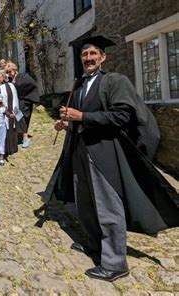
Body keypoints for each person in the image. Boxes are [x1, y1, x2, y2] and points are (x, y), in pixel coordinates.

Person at [47, 35, 179, 282]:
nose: (88, 58)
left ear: (103, 57)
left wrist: (82, 116)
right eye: (84, 55)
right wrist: (65, 123)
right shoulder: (80, 85)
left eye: (93, 54)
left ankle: (115, 263)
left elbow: (121, 117)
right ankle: (93, 244)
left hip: (104, 153)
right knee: (84, 202)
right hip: (79, 152)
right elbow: (77, 118)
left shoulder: (114, 81)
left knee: (108, 207)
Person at [6, 62, 40, 148]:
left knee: (23, 118)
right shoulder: (10, 80)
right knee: (18, 118)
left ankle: (25, 138)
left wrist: (22, 93)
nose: (9, 74)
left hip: (24, 101)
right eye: (7, 72)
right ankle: (18, 135)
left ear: (14, 70)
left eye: (10, 72)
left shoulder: (23, 77)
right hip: (15, 102)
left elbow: (32, 84)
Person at [0, 71, 21, 156]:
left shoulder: (10, 85)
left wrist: (16, 113)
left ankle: (10, 148)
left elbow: (15, 99)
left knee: (10, 129)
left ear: (4, 77)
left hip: (10, 112)